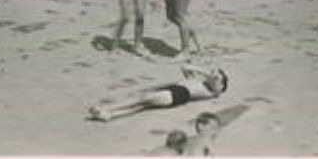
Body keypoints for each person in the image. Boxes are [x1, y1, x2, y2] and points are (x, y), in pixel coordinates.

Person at [86, 66, 229, 122]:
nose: (212, 75)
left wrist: (210, 75)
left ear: (219, 84)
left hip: (178, 94)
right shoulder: (198, 82)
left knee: (140, 100)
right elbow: (185, 67)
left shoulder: (211, 91)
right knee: (142, 106)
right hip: (175, 92)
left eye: (215, 77)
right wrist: (202, 72)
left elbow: (218, 89)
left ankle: (107, 109)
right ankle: (110, 115)